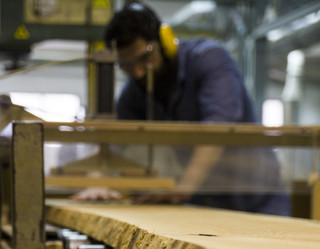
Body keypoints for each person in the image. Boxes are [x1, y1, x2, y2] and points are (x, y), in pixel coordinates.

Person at [86, 1, 290, 215]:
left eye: (144, 58)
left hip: (257, 198)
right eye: (126, 65)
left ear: (165, 41)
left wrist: (183, 189)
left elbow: (216, 131)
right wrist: (96, 183)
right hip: (204, 201)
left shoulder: (209, 60)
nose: (137, 72)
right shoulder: (136, 90)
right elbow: (111, 140)